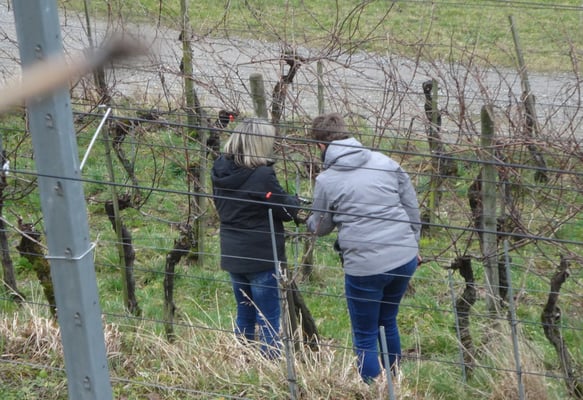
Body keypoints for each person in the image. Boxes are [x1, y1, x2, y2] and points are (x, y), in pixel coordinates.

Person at [306, 112, 421, 382]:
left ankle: (371, 389)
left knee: (365, 334)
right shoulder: (385, 162)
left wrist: (308, 219)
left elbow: (321, 227)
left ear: (320, 145)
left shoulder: (327, 180)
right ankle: (393, 382)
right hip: (403, 256)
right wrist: (413, 244)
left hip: (365, 267)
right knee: (387, 321)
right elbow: (411, 207)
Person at [211, 118, 299, 358]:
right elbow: (286, 211)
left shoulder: (219, 168)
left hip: (233, 253)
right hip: (261, 255)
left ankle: (243, 360)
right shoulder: (262, 175)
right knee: (269, 318)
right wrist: (294, 202)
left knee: (245, 313)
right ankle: (269, 364)